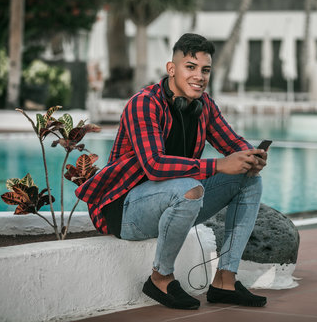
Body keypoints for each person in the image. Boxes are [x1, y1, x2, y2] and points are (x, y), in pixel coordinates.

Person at [75, 33, 268, 310]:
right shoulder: (144, 103)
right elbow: (154, 165)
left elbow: (232, 141)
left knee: (249, 181)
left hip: (175, 202)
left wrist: (251, 155)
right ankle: (160, 278)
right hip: (125, 211)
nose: (199, 76)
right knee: (189, 186)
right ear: (171, 69)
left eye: (205, 70)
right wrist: (217, 165)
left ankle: (225, 280)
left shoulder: (205, 106)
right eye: (190, 67)